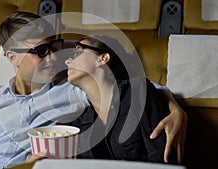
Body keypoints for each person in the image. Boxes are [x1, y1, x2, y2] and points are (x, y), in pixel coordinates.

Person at [0, 12, 186, 168]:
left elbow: (132, 89)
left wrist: (176, 109)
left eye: (54, 47)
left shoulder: (72, 89)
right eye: (40, 52)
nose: (53, 58)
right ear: (12, 58)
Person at [61, 34, 180, 163]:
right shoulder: (81, 122)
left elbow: (162, 158)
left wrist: (176, 109)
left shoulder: (138, 91)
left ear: (102, 58)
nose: (67, 61)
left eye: (77, 52)